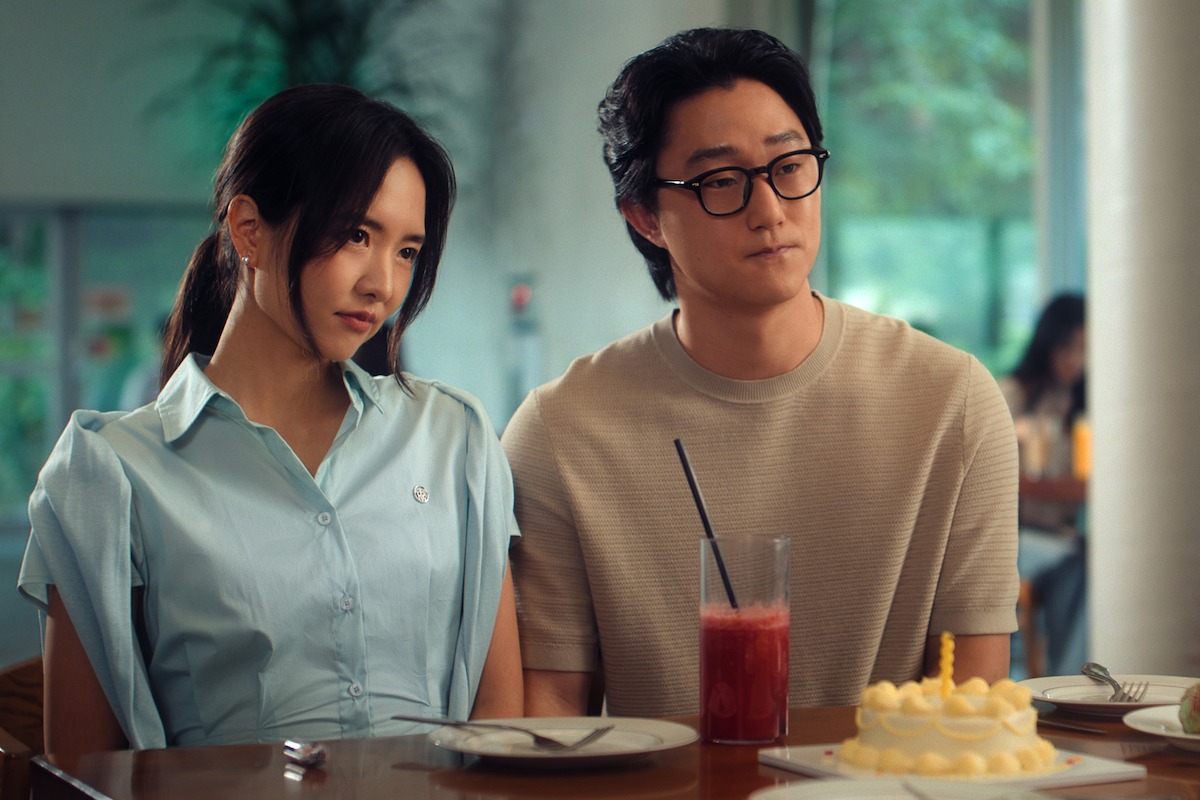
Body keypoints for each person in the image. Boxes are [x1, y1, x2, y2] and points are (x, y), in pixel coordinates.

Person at [502, 27, 1019, 718]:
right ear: (645, 217)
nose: (770, 210)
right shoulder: (560, 432)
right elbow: (552, 716)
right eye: (721, 181)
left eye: (790, 166)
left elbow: (973, 707)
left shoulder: (952, 403)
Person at [19, 84, 522, 755]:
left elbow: (502, 726)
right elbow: (84, 775)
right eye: (357, 235)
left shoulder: (454, 438)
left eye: (407, 251)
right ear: (249, 230)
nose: (383, 284)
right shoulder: (109, 475)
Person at [1000, 293, 1088, 677]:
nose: (1078, 360)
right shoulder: (1014, 394)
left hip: (1060, 536)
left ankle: (1064, 679)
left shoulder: (1082, 403)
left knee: (1086, 562)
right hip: (1017, 534)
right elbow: (993, 476)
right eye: (1071, 347)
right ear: (1050, 342)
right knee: (1079, 564)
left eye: (1086, 349)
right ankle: (1068, 680)